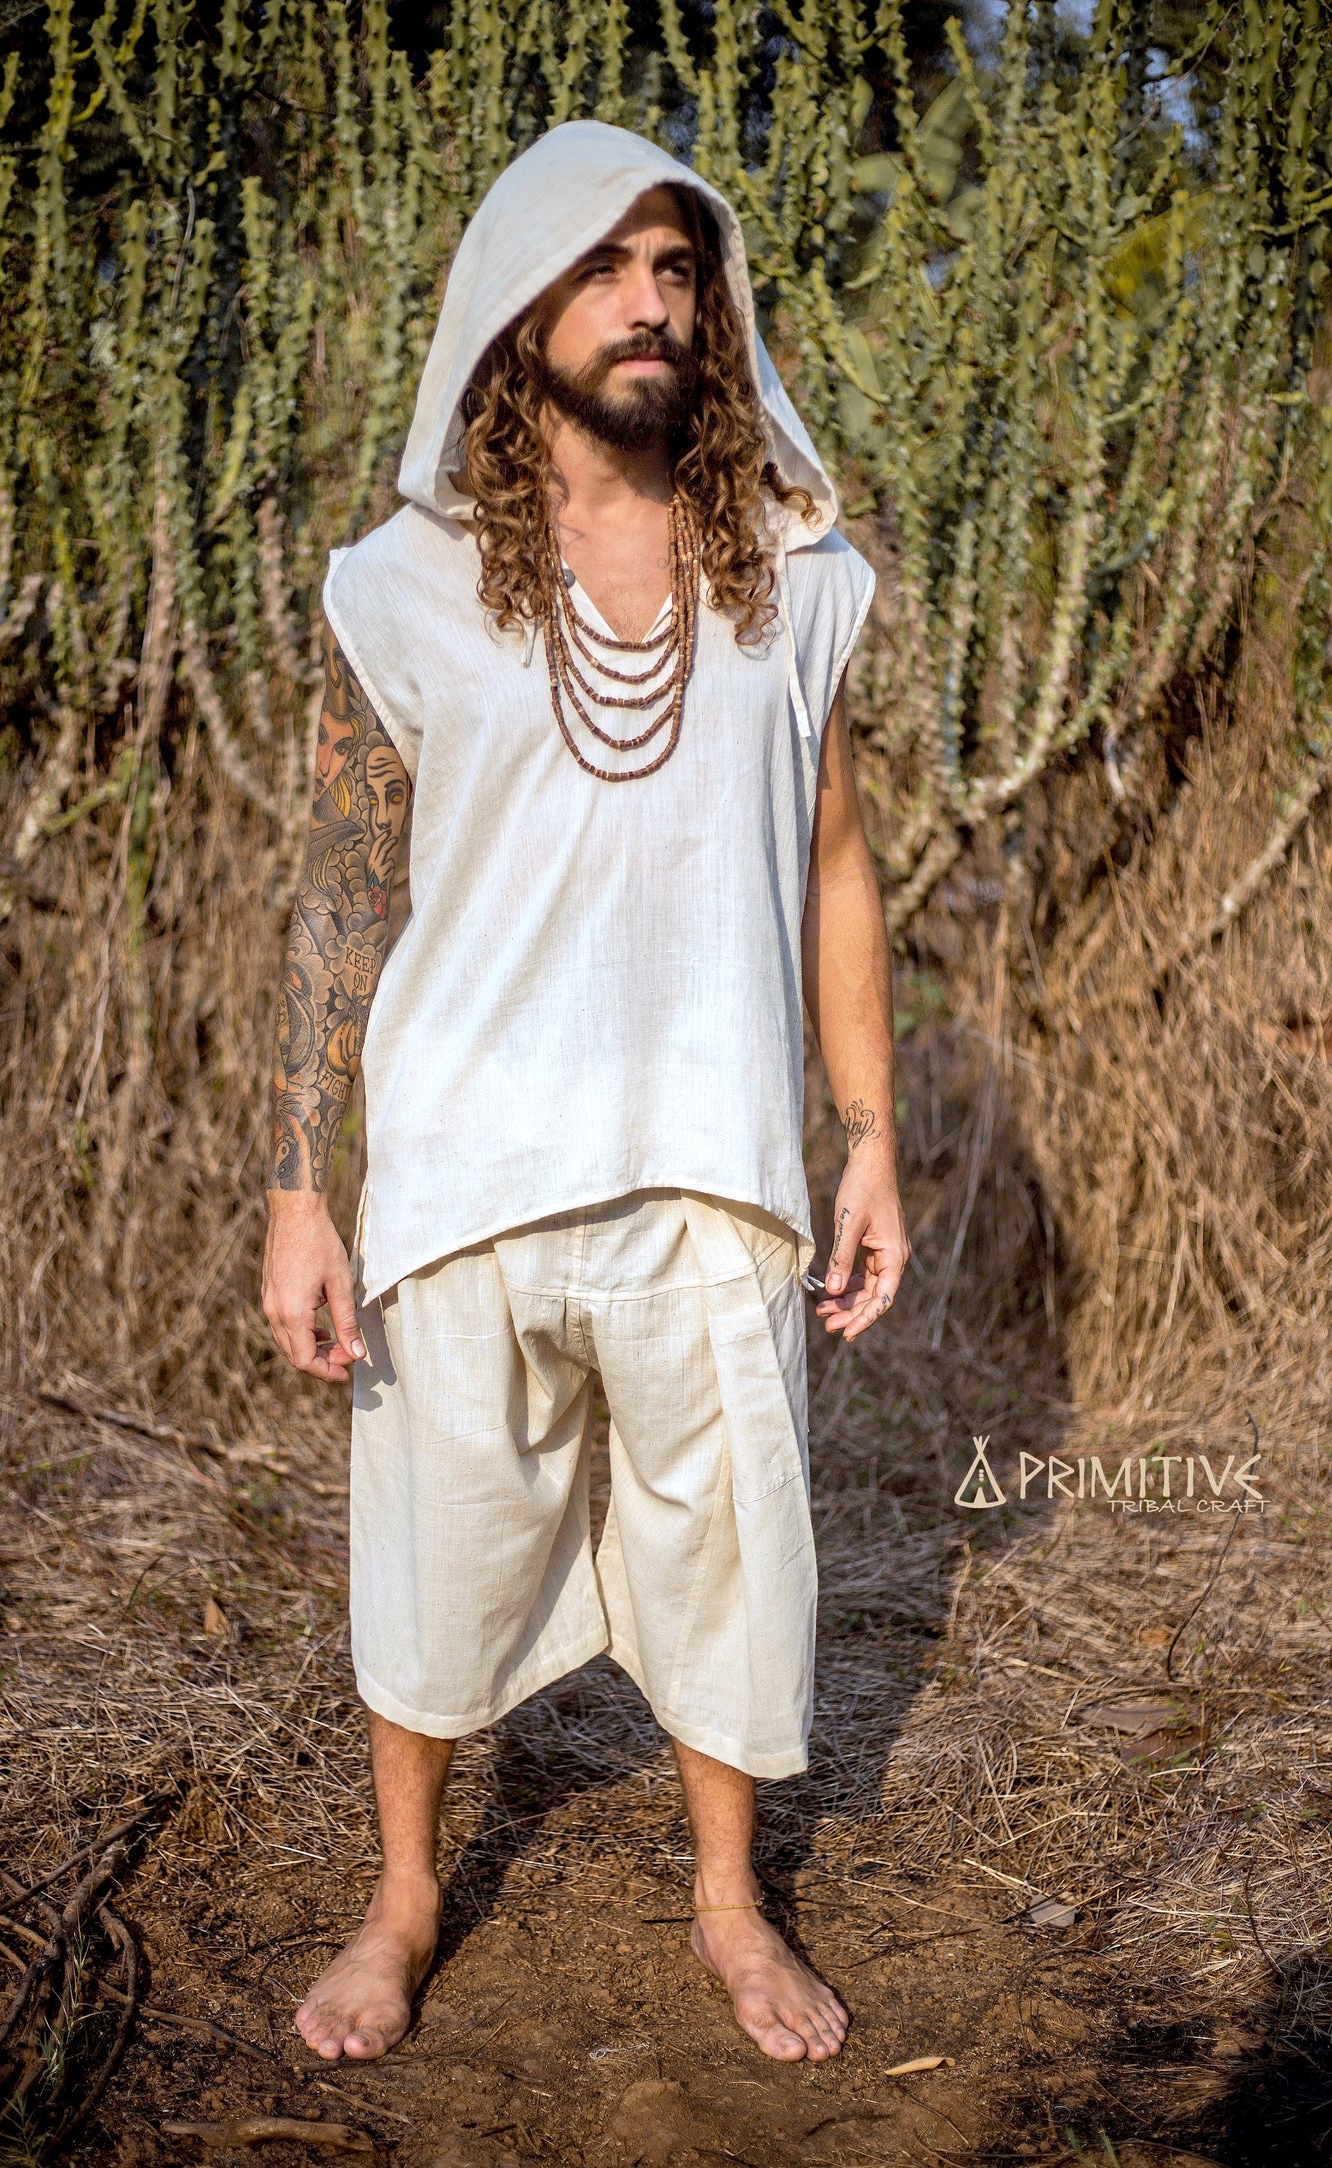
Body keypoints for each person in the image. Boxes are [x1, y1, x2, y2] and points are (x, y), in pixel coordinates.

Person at [261, 120, 908, 2069]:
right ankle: (404, 1897)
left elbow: (833, 863)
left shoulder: (790, 573)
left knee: (730, 1554)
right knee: (437, 1555)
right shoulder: (402, 586)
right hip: (464, 1166)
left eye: (678, 264)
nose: (650, 298)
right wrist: (305, 1179)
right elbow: (339, 878)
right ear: (515, 306)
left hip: (710, 1164)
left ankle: (727, 1905)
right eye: (608, 262)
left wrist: (869, 1133)